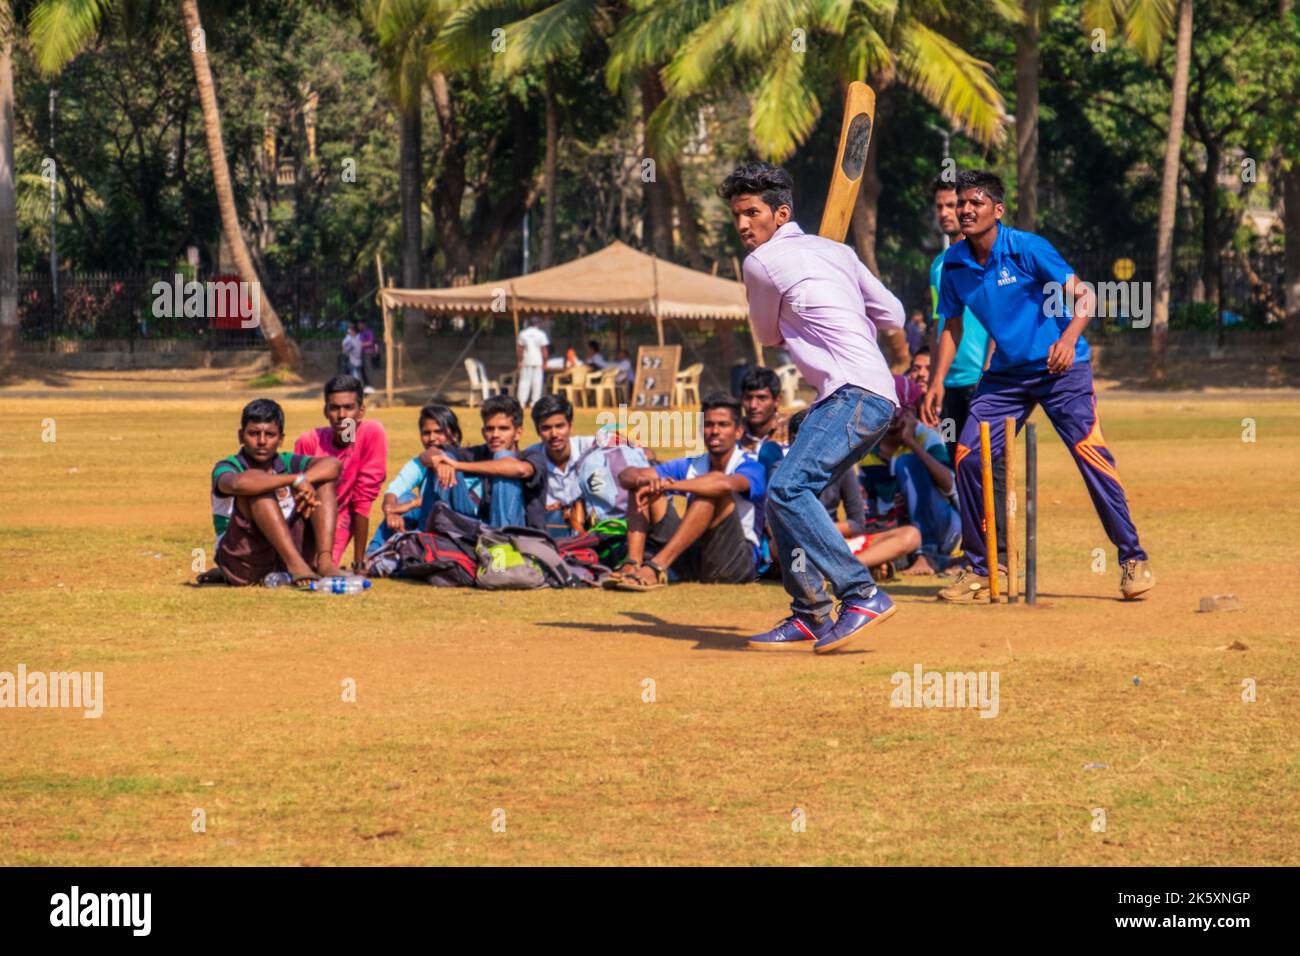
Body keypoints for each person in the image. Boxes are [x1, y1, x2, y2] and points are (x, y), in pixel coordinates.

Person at [921, 169, 1154, 602]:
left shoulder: (1027, 249)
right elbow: (951, 327)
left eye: (976, 202)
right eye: (960, 203)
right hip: (1007, 374)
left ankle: (1132, 558)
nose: (965, 210)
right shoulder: (954, 264)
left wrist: (1068, 339)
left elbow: (1086, 296)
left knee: (1089, 453)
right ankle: (982, 568)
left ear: (998, 209)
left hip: (1061, 368)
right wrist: (936, 381)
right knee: (969, 457)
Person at [722, 160, 905, 653]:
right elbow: (893, 314)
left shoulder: (760, 263)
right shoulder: (837, 252)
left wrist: (806, 307)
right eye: (737, 215)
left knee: (786, 488)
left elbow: (767, 334)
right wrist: (838, 298)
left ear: (780, 214)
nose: (742, 225)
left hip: (854, 392)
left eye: (752, 213)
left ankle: (861, 593)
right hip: (871, 393)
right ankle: (810, 612)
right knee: (784, 495)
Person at [607, 392, 766, 590]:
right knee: (642, 486)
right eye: (708, 425)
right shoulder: (693, 463)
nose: (714, 431)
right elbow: (626, 475)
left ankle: (656, 567)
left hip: (737, 560)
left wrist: (667, 484)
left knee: (710, 492)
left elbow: (724, 484)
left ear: (739, 431)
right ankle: (632, 564)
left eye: (723, 425)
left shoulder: (752, 467)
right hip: (696, 556)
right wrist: (642, 481)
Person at [210, 398, 342, 586]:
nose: (262, 441)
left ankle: (324, 561)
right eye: (254, 433)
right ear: (240, 436)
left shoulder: (287, 461)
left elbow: (333, 465)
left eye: (270, 434)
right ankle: (296, 565)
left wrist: (306, 480)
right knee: (257, 489)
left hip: (285, 554)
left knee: (324, 483)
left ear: (281, 439)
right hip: (244, 560)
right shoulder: (227, 466)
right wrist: (295, 480)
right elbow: (239, 484)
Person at [858, 375, 960, 577]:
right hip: (898, 525)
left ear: (912, 412)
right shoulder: (868, 449)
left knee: (908, 463)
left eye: (902, 412)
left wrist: (912, 443)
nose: (895, 419)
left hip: (943, 522)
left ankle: (927, 554)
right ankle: (942, 562)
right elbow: (870, 504)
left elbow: (951, 486)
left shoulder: (926, 437)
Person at [930, 176, 994, 467]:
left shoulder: (988, 258)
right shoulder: (938, 266)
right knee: (953, 459)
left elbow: (998, 321)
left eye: (951, 205)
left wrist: (988, 371)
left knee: (985, 463)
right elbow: (940, 325)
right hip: (949, 384)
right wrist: (935, 381)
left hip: (979, 380)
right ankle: (962, 516)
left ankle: (995, 516)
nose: (945, 213)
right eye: (939, 206)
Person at [293, 374, 388, 571]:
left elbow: (363, 499)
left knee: (321, 568)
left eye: (348, 407)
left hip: (342, 519)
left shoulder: (372, 433)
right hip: (308, 516)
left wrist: (359, 561)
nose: (342, 415)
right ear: (325, 411)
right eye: (334, 408)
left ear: (361, 411)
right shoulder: (309, 441)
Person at [419, 394, 547, 529]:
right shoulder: (482, 452)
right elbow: (427, 454)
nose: (495, 435)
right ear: (483, 432)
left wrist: (457, 465)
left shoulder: (534, 456)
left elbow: (520, 470)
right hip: (482, 529)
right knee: (446, 458)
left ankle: (502, 542)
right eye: (490, 429)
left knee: (502, 457)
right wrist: (439, 461)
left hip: (522, 535)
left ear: (518, 433)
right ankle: (428, 535)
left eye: (503, 429)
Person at [367, 404, 463, 554]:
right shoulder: (420, 463)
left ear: (454, 434)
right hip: (427, 521)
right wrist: (391, 512)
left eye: (438, 432)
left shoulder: (466, 459)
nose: (432, 438)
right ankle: (372, 554)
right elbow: (393, 491)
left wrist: (412, 504)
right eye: (426, 433)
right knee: (404, 497)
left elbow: (463, 502)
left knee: (411, 502)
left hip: (457, 521)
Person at [526, 394, 597, 536]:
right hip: (551, 533)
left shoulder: (590, 446)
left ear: (570, 426)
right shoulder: (531, 457)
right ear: (538, 431)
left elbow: (634, 447)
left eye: (560, 426)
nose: (554, 434)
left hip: (592, 530)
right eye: (546, 428)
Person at [738, 366, 788, 453]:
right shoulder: (734, 434)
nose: (753, 405)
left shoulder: (793, 431)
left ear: (777, 400)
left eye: (761, 398)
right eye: (748, 398)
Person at [516, 316, 550, 407]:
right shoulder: (541, 334)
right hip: (537, 361)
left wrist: (519, 361)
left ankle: (522, 402)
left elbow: (519, 349)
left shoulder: (523, 333)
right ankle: (535, 402)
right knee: (537, 382)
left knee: (524, 381)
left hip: (526, 360)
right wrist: (545, 361)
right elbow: (544, 349)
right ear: (537, 324)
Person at [356, 320, 379, 395]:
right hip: (362, 353)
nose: (358, 326)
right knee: (363, 370)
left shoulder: (368, 332)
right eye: (358, 325)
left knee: (368, 369)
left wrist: (361, 344)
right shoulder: (361, 333)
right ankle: (366, 386)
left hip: (368, 352)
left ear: (363, 324)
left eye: (359, 324)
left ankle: (370, 385)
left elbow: (371, 342)